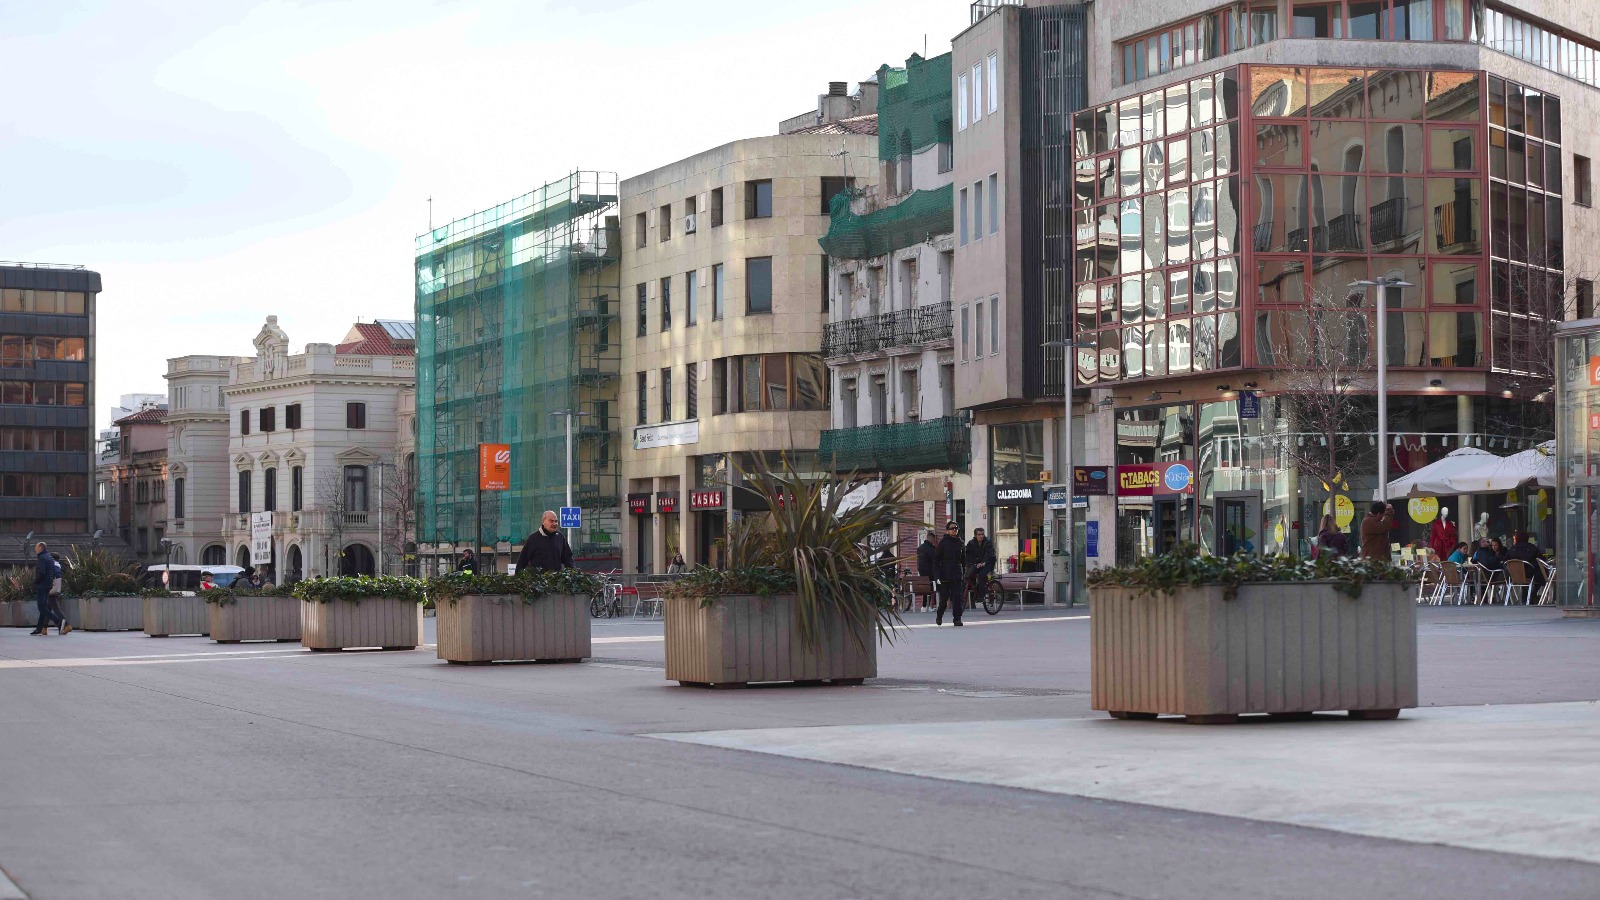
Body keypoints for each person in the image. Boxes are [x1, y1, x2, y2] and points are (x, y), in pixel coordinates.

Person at [30, 542, 67, 636]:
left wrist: (35, 582)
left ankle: (58, 622)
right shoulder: (49, 557)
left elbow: (41, 573)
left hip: (42, 585)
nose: (35, 549)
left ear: (40, 548)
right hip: (48, 585)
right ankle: (39, 628)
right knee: (44, 607)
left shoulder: (42, 558)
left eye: (36, 547)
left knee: (41, 607)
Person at [934, 521, 966, 626]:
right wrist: (937, 575)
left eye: (956, 528)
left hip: (957, 573)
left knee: (957, 597)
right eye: (952, 528)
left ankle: (957, 619)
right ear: (947, 530)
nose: (954, 530)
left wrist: (964, 572)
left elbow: (963, 560)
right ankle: (939, 615)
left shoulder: (960, 543)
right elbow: (937, 559)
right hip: (945, 574)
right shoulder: (943, 542)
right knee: (944, 598)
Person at [964, 526, 998, 605]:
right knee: (969, 574)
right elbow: (968, 555)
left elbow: (989, 554)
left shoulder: (988, 542)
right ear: (975, 535)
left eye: (982, 534)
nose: (981, 536)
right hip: (977, 563)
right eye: (979, 534)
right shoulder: (971, 543)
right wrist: (970, 563)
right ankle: (974, 592)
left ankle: (982, 595)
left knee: (981, 575)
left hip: (988, 563)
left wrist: (984, 562)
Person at [1504, 531, 1543, 597]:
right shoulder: (1532, 548)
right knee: (1541, 573)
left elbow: (1506, 561)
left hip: (1514, 575)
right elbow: (1541, 559)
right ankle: (1533, 594)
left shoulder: (1512, 549)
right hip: (1529, 574)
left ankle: (1526, 595)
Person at [915, 530, 939, 611]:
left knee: (926, 589)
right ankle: (933, 605)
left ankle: (925, 606)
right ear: (932, 539)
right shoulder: (931, 549)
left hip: (922, 571)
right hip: (930, 571)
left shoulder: (920, 548)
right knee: (932, 588)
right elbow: (935, 559)